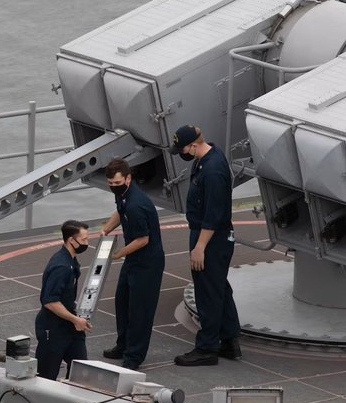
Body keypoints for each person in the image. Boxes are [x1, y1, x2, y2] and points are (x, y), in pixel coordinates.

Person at [169, 125, 241, 367]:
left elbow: (213, 214)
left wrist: (199, 247)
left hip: (210, 238)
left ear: (193, 146)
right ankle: (230, 341)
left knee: (207, 292)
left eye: (184, 149)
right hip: (212, 236)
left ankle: (207, 347)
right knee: (219, 287)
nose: (183, 153)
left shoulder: (211, 171)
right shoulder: (208, 157)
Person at [99, 158, 165, 370]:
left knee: (140, 310)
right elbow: (120, 211)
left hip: (147, 262)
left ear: (128, 178)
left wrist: (117, 254)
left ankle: (134, 355)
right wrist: (106, 229)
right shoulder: (125, 196)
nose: (114, 188)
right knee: (123, 301)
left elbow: (142, 239)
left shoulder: (136, 205)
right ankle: (123, 344)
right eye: (111, 184)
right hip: (134, 259)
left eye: (117, 183)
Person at [34, 220, 93, 380]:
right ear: (71, 240)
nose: (87, 243)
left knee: (80, 369)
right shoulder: (61, 267)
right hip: (52, 328)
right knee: (46, 375)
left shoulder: (71, 262)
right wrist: (75, 319)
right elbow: (50, 301)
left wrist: (76, 320)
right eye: (84, 240)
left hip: (69, 326)